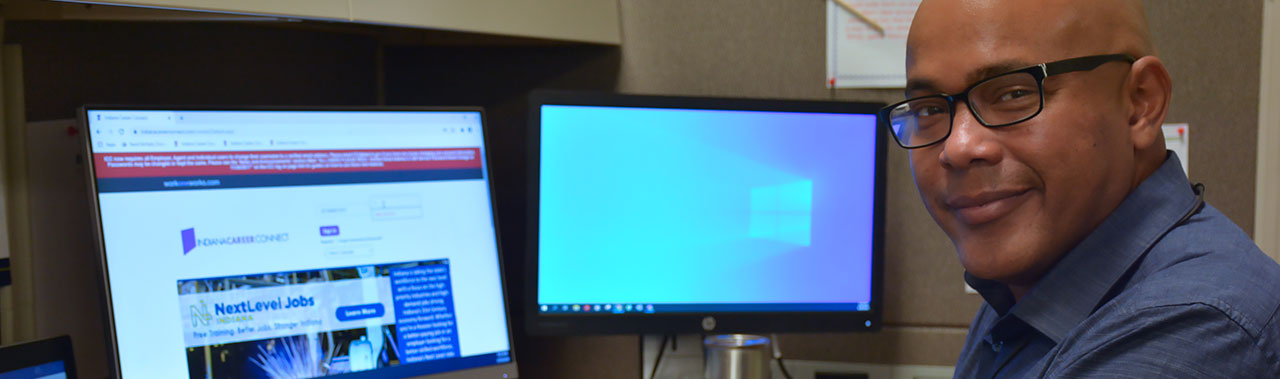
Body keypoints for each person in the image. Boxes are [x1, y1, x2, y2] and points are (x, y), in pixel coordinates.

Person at [882, 0, 1280, 376]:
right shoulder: (1034, 281)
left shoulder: (1195, 327)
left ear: (1141, 101)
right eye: (930, 109)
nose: (958, 147)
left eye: (1014, 93)